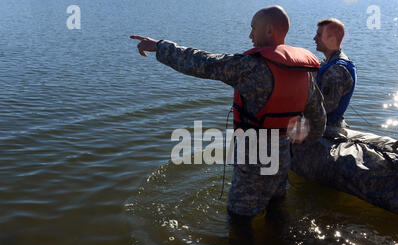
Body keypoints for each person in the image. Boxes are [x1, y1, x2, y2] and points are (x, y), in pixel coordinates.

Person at [130, 5, 326, 218]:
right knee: (276, 207)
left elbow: (203, 63)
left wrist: (159, 46)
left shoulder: (250, 67)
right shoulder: (304, 73)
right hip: (282, 156)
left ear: (269, 30)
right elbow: (318, 118)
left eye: (253, 29)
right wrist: (299, 146)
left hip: (254, 157)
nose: (250, 35)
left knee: (239, 217)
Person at [313, 18, 356, 128]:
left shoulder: (336, 71)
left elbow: (324, 108)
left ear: (332, 39)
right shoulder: (328, 62)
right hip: (320, 126)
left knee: (270, 131)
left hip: (326, 129)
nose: (314, 38)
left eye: (319, 35)